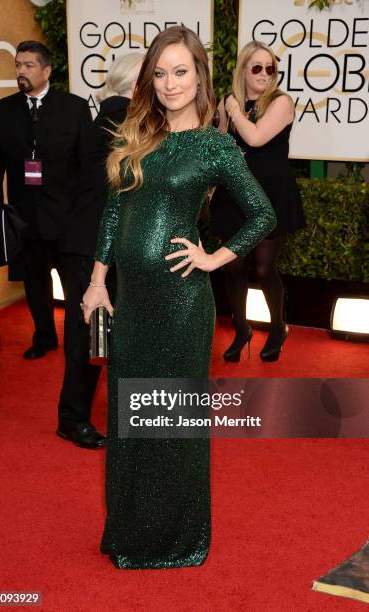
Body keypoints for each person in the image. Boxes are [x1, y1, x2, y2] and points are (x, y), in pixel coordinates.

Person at [82, 26, 276, 569]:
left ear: (199, 77)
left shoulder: (215, 146)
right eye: (160, 73)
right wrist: (98, 282)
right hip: (132, 302)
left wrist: (215, 256)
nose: (169, 84)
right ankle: (129, 534)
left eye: (180, 72)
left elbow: (264, 213)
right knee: (128, 417)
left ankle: (176, 540)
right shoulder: (139, 134)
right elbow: (116, 212)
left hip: (181, 305)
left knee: (172, 425)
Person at [57, 53, 142, 449]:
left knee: (99, 334)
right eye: (156, 75)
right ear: (136, 84)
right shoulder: (123, 120)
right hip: (90, 246)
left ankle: (83, 416)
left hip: (88, 242)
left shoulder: (110, 116)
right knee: (88, 335)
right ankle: (72, 419)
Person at [0, 41, 92, 360]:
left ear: (47, 71)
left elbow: (88, 165)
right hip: (24, 218)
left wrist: (86, 215)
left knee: (76, 287)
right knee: (34, 285)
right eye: (18, 65)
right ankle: (44, 336)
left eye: (29, 65)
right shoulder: (3, 111)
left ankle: (80, 340)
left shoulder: (73, 108)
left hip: (67, 217)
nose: (21, 71)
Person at [211, 41, 305, 362]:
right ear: (243, 71)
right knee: (233, 266)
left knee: (264, 269)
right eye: (257, 67)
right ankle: (241, 328)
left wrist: (234, 109)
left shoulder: (281, 102)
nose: (265, 74)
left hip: (271, 195)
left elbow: (255, 138)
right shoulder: (228, 104)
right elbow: (223, 146)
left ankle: (278, 328)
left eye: (270, 68)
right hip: (234, 193)